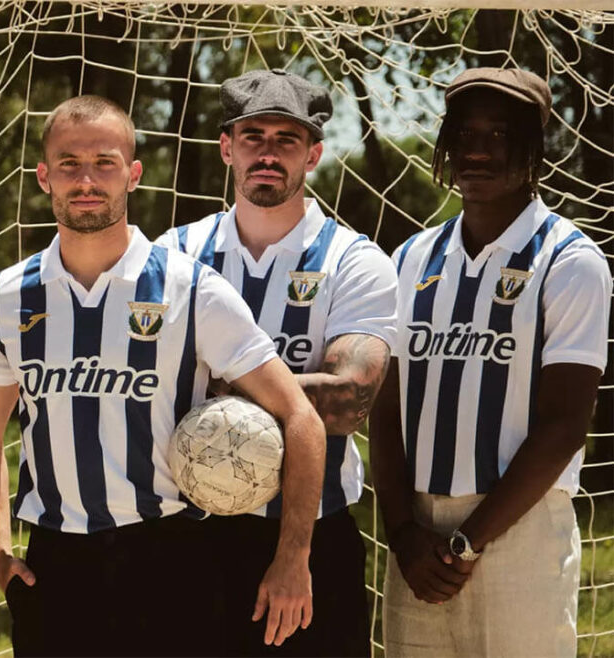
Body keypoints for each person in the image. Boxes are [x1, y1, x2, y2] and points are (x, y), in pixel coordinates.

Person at [0, 94, 326, 657]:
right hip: (55, 566)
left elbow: (300, 416)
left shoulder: (193, 290)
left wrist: (293, 556)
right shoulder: (5, 298)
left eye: (105, 163)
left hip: (171, 557)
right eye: (69, 165)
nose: (87, 180)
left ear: (133, 175)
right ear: (44, 177)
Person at [370, 67, 611, 657]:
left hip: (517, 527)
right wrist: (403, 533)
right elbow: (386, 408)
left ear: (534, 147)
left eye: (500, 135)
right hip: (417, 533)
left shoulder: (570, 261)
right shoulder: (410, 258)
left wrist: (465, 544)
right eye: (466, 133)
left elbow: (563, 428)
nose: (477, 150)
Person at [156, 69, 397, 657]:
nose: (268, 152)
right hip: (190, 529)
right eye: (253, 135)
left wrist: (215, 387)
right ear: (226, 147)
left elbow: (348, 401)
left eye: (286, 139)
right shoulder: (175, 254)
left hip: (313, 535)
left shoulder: (355, 261)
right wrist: (282, 397)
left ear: (313, 153)